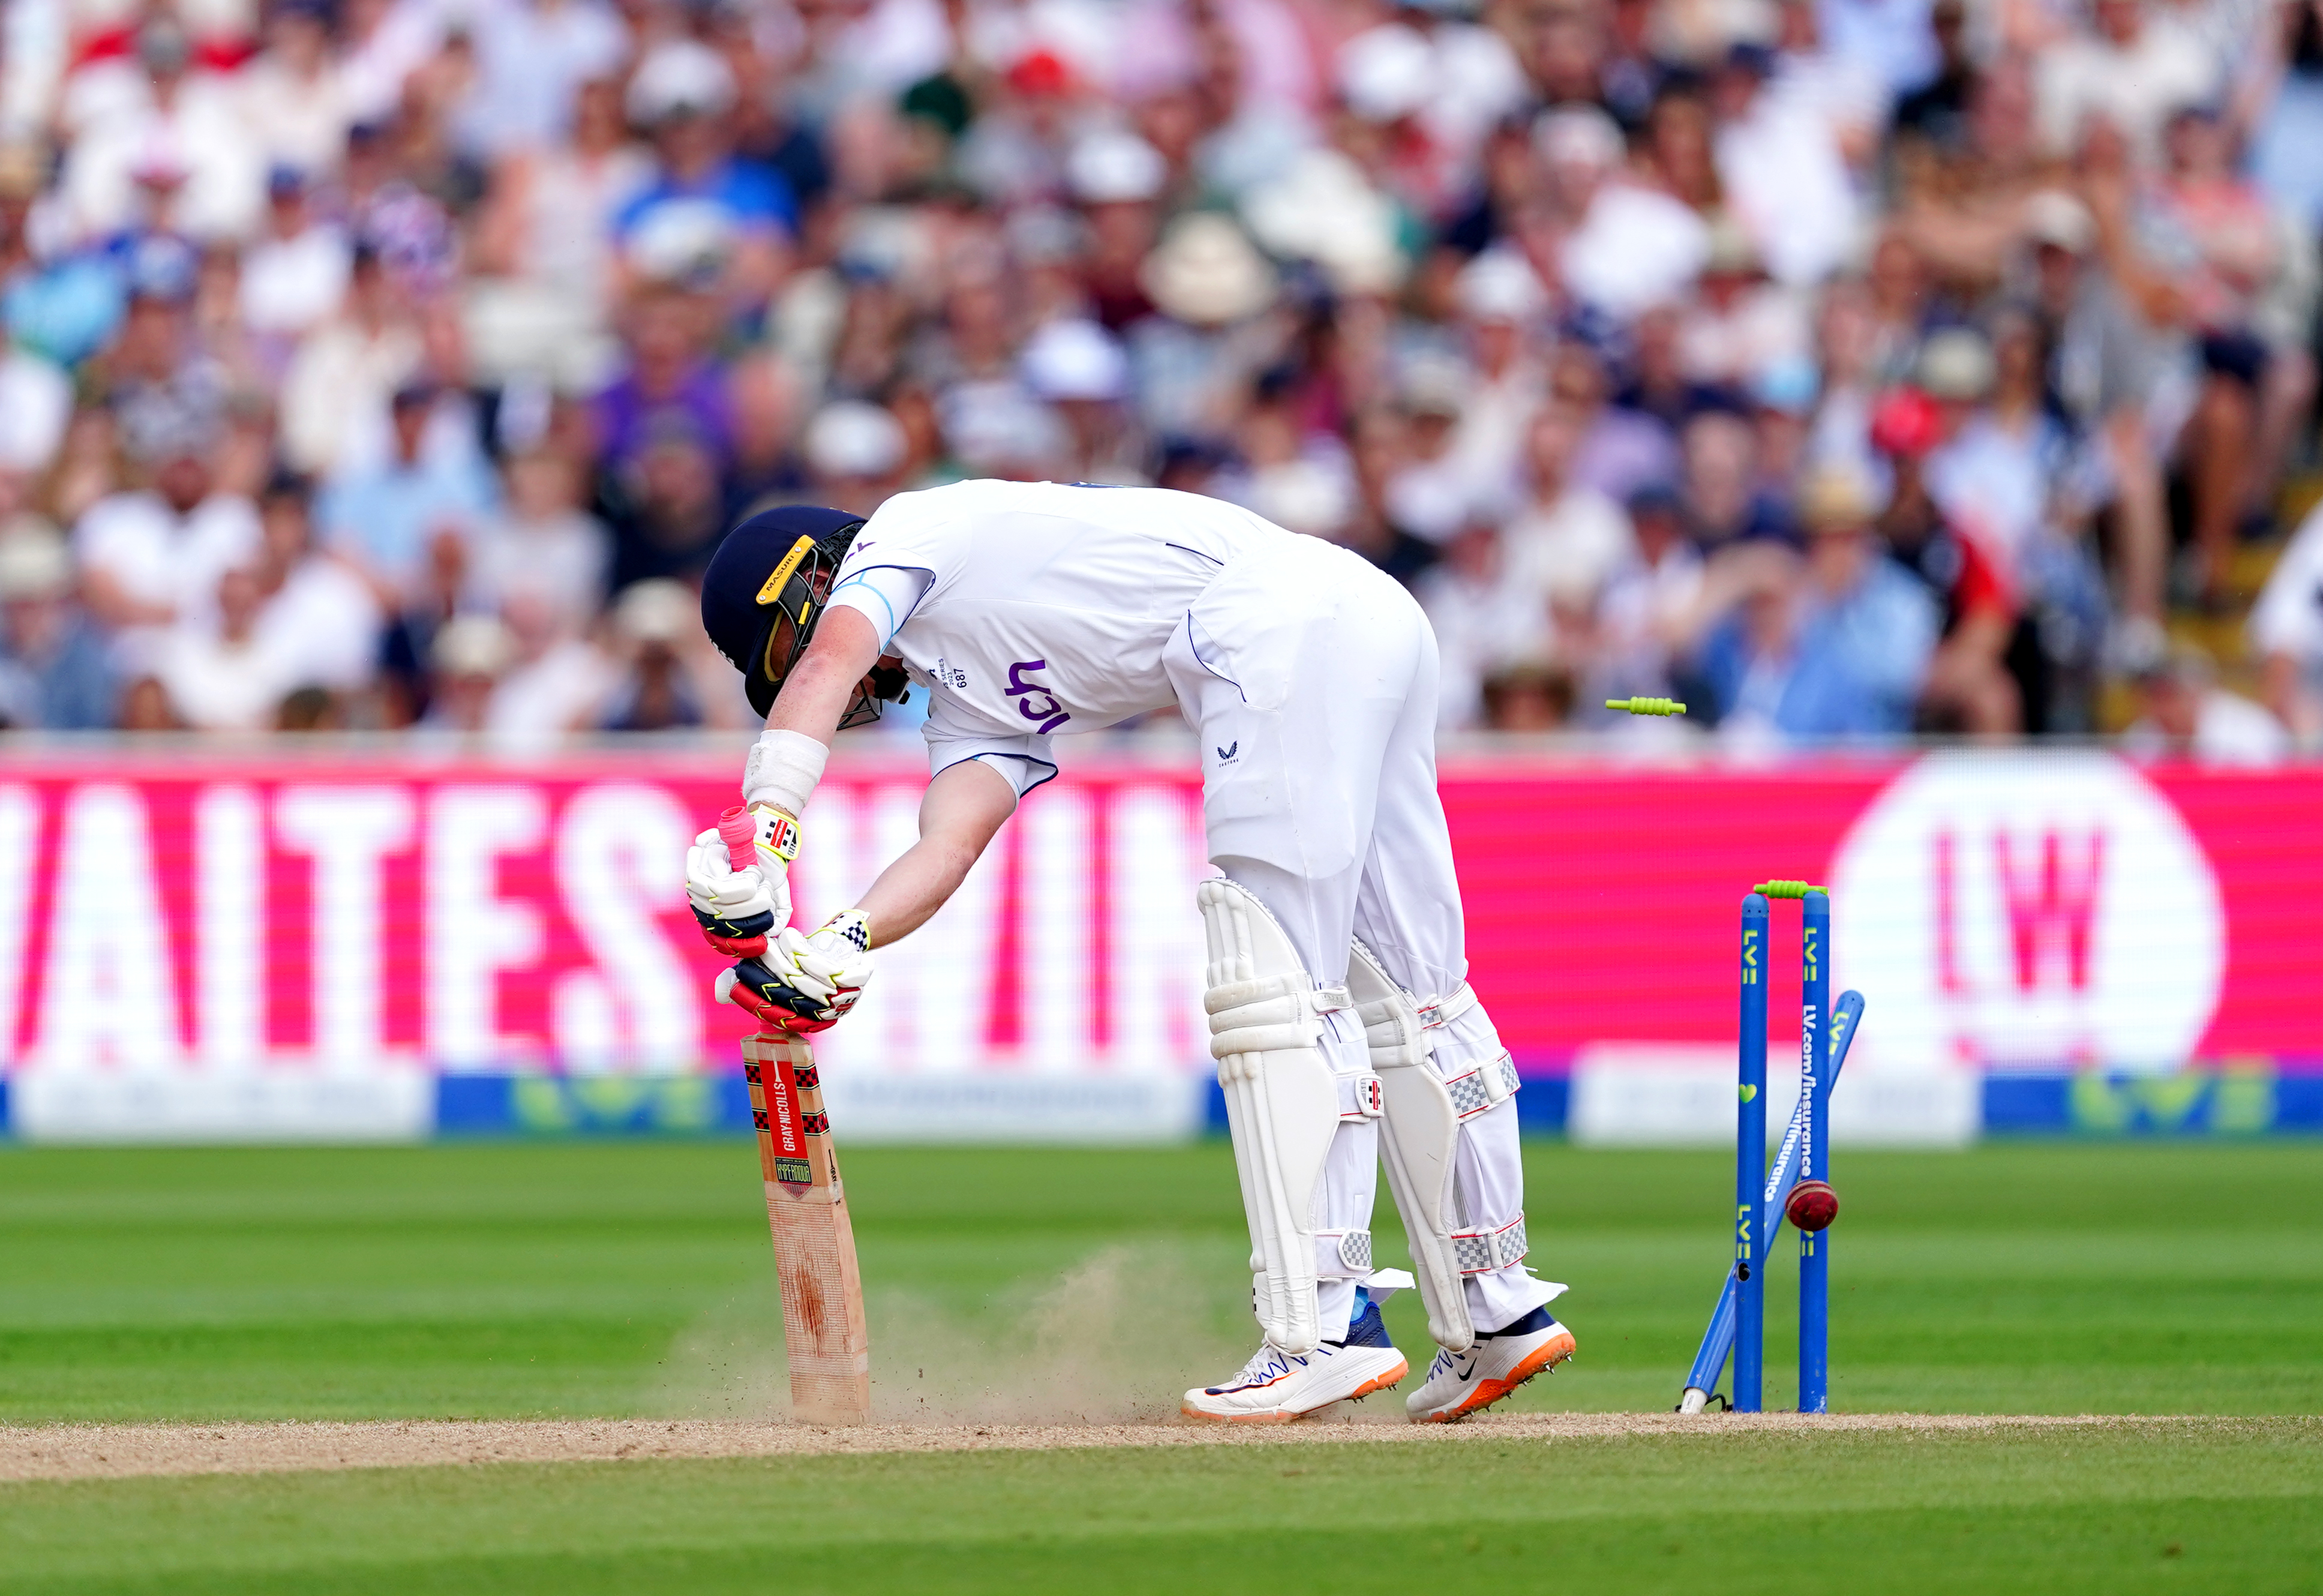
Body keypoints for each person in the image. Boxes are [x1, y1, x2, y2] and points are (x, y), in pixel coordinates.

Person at [683, 489, 1572, 1424]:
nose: (843, 686)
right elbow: (947, 848)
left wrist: (766, 828)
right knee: (1413, 993)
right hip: (1366, 616)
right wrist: (843, 941)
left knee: (1276, 986)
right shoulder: (972, 695)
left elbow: (830, 657)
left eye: (782, 650)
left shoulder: (901, 534)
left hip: (1271, 626)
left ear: (812, 578)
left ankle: (1321, 1330)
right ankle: (1495, 1304)